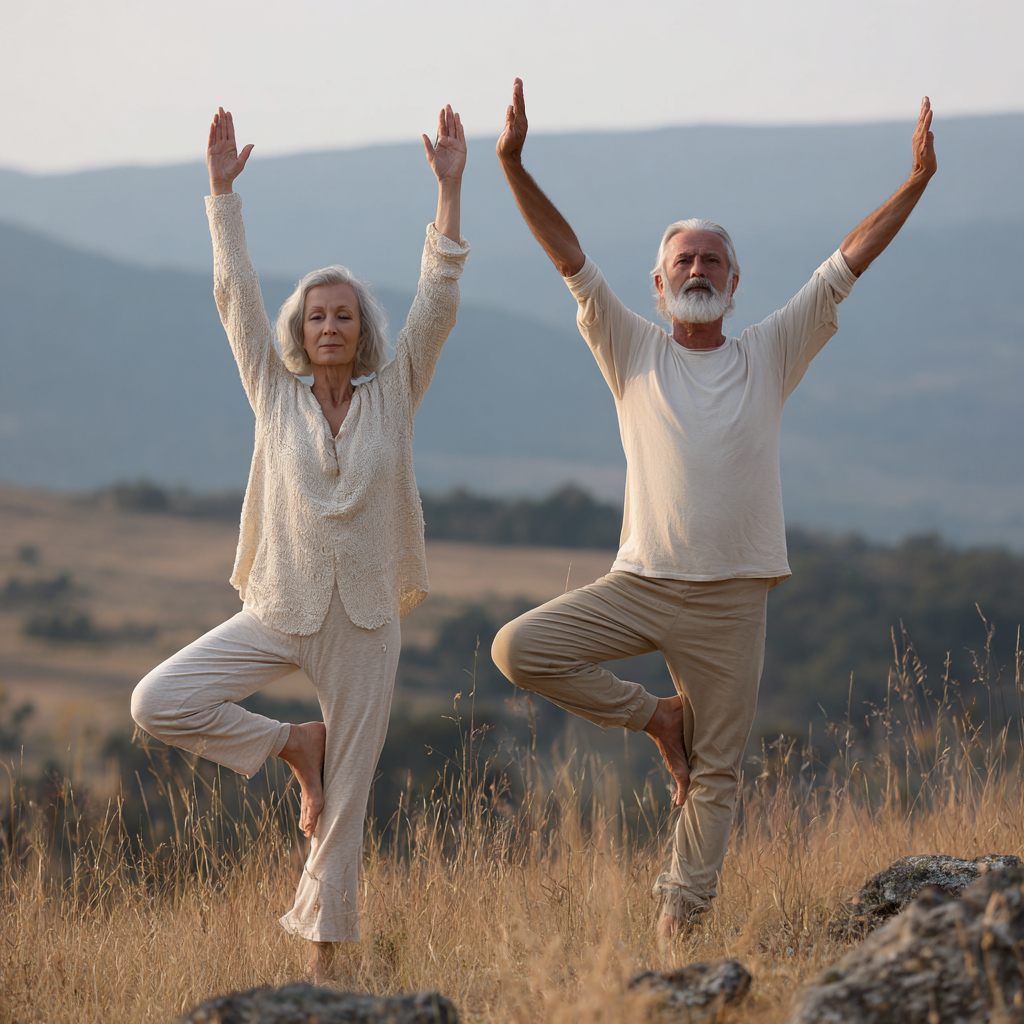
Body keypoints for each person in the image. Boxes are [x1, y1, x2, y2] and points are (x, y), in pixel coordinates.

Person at [490, 78, 936, 940]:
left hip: (734, 599)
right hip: (640, 582)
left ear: (735, 283)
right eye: (683, 262)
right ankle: (656, 717)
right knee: (519, 648)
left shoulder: (771, 350)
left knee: (719, 773)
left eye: (712, 262)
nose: (698, 271)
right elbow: (566, 251)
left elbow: (845, 264)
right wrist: (512, 162)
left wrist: (913, 183)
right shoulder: (629, 347)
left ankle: (675, 927)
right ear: (658, 286)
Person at [131, 104, 470, 979]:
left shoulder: (395, 393)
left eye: (344, 316)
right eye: (317, 315)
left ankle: (324, 975)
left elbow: (438, 302)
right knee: (157, 701)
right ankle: (291, 744)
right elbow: (233, 294)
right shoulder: (272, 392)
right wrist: (221, 195)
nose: (329, 326)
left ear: (362, 333)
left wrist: (450, 187)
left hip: (363, 621)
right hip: (279, 603)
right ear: (299, 329)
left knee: (347, 805)